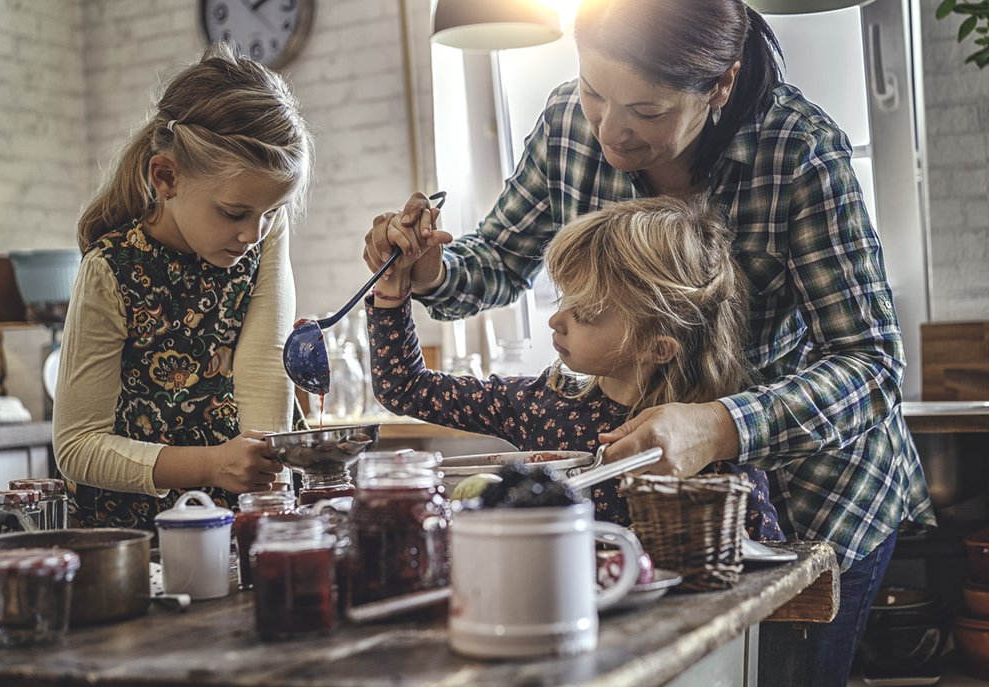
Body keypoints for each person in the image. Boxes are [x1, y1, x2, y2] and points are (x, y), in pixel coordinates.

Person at [363, 1, 934, 683]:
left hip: (817, 495)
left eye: (648, 111)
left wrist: (722, 426)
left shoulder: (798, 150)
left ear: (719, 85)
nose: (611, 130)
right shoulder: (565, 128)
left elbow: (870, 366)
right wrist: (429, 270)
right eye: (593, 92)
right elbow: (490, 261)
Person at [368, 195, 783, 542]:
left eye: (584, 312)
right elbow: (404, 387)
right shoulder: (541, 404)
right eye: (564, 298)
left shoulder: (708, 446)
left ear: (657, 347)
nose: (555, 320)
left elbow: (764, 570)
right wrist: (393, 288)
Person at [53, 42, 314, 532]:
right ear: (167, 177)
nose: (252, 234)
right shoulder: (110, 271)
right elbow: (77, 447)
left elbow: (263, 370)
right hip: (138, 537)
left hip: (244, 519)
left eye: (271, 213)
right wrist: (211, 464)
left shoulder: (259, 235)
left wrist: (269, 508)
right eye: (235, 213)